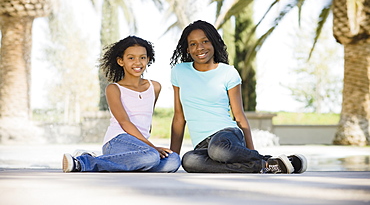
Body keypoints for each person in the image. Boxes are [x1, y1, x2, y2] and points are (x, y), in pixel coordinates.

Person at [170, 20, 307, 174]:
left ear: (214, 43)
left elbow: (239, 115)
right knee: (189, 161)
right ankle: (268, 164)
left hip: (227, 136)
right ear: (187, 49)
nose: (199, 47)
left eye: (205, 41)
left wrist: (250, 151)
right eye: (193, 44)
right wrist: (172, 158)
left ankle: (264, 160)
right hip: (202, 146)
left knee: (218, 150)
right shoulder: (179, 71)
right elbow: (179, 117)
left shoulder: (228, 73)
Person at [62, 36, 181, 172]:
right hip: (117, 140)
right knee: (151, 157)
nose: (138, 62)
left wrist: (148, 147)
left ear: (148, 59)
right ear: (120, 61)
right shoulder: (114, 89)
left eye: (142, 57)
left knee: (173, 160)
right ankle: (83, 162)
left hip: (141, 146)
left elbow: (147, 118)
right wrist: (152, 147)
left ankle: (126, 164)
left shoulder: (155, 87)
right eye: (131, 58)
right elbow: (124, 122)